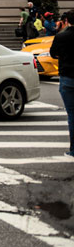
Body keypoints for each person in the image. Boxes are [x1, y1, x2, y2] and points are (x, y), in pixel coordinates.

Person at [49, 10, 74, 157]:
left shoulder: (61, 36)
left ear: (66, 21)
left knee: (72, 114)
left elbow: (53, 54)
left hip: (68, 77)